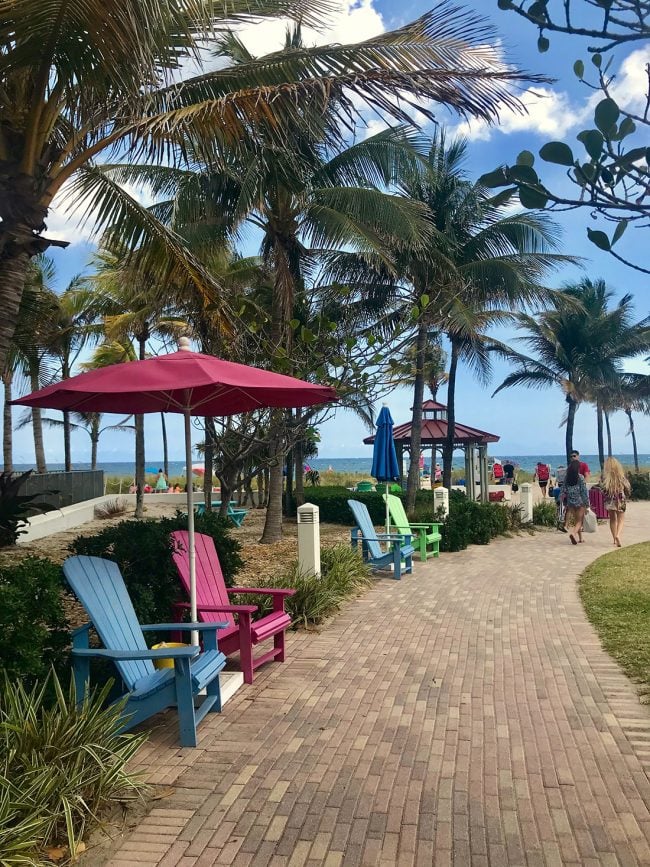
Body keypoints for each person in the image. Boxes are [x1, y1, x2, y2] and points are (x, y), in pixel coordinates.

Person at [602, 457, 631, 547]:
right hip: (620, 499)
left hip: (609, 500)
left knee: (612, 519)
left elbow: (602, 489)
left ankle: (614, 538)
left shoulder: (605, 478)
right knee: (621, 518)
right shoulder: (621, 476)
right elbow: (628, 487)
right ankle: (618, 535)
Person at [561, 459, 590, 544]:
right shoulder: (580, 477)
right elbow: (583, 491)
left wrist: (562, 500)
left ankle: (580, 538)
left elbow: (563, 489)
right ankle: (573, 534)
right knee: (579, 521)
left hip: (570, 502)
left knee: (576, 520)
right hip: (580, 501)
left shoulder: (567, 477)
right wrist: (587, 503)